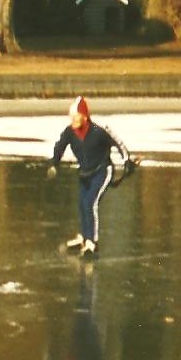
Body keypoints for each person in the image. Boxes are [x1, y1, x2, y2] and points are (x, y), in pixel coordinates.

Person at [47, 96, 132, 257]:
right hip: (85, 173)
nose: (72, 120)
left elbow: (118, 143)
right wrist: (54, 163)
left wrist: (127, 161)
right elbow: (59, 147)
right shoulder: (69, 132)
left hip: (102, 171)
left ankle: (92, 242)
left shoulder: (98, 132)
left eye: (75, 116)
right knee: (82, 204)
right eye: (71, 117)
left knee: (90, 203)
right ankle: (85, 238)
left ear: (84, 116)